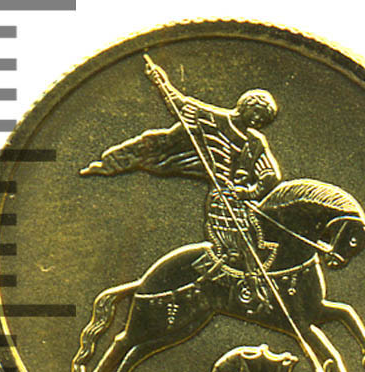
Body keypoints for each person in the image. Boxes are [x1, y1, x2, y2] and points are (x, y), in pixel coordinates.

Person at [81, 61, 282, 275]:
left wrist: (249, 192)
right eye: (258, 113)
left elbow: (271, 176)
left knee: (263, 238)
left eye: (265, 118)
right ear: (246, 106)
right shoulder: (211, 119)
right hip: (222, 199)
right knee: (234, 244)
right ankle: (214, 275)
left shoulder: (255, 142)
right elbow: (179, 104)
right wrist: (161, 82)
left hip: (244, 202)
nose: (259, 120)